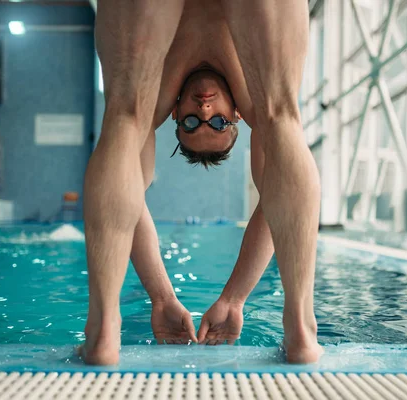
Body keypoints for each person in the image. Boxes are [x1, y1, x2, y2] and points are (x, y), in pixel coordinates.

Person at [81, 0, 322, 365]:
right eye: (219, 123)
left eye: (192, 123)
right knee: (281, 117)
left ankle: (103, 329)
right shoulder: (256, 107)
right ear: (236, 116)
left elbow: (131, 203)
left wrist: (163, 298)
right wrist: (232, 299)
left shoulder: (156, 97)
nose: (205, 111)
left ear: (176, 114)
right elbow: (275, 202)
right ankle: (301, 328)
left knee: (125, 116)